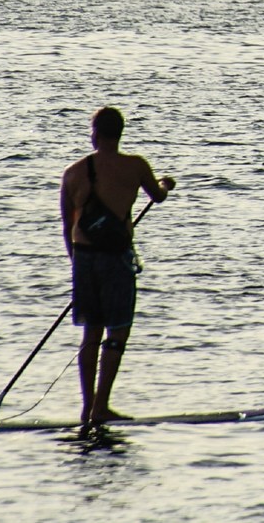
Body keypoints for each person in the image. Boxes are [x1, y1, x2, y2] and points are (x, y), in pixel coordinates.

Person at [59, 107, 174, 426]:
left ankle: (87, 408)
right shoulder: (135, 166)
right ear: (120, 133)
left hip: (84, 257)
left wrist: (76, 264)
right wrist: (165, 184)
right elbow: (158, 196)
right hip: (115, 257)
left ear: (94, 134)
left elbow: (68, 225)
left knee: (90, 334)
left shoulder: (72, 172)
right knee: (117, 332)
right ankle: (101, 407)